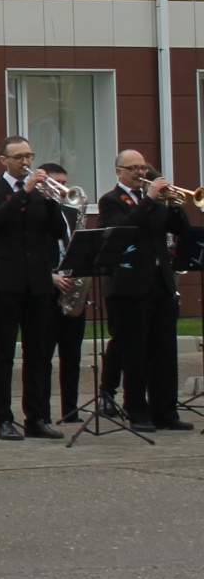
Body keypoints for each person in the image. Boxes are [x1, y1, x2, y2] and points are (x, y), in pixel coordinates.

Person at [0, 136, 71, 440]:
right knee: (5, 352)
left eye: (29, 156)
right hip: (5, 281)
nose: (26, 162)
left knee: (39, 353)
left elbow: (56, 231)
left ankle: (37, 417)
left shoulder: (44, 193)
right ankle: (4, 419)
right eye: (19, 157)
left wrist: (54, 203)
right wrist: (25, 194)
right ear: (4, 160)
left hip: (38, 281)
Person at [96, 151, 195, 433]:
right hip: (128, 285)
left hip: (160, 282)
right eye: (133, 168)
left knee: (164, 350)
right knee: (134, 351)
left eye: (142, 167)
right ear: (119, 172)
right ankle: (137, 411)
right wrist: (151, 198)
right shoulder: (111, 200)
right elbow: (124, 229)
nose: (140, 172)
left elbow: (182, 230)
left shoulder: (156, 200)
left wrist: (174, 205)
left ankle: (165, 411)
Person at [39, 162, 89, 424]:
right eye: (55, 183)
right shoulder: (36, 212)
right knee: (43, 357)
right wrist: (50, 276)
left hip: (72, 289)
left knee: (72, 356)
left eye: (64, 183)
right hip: (47, 289)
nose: (62, 188)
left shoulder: (71, 213)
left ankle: (71, 411)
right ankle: (42, 413)